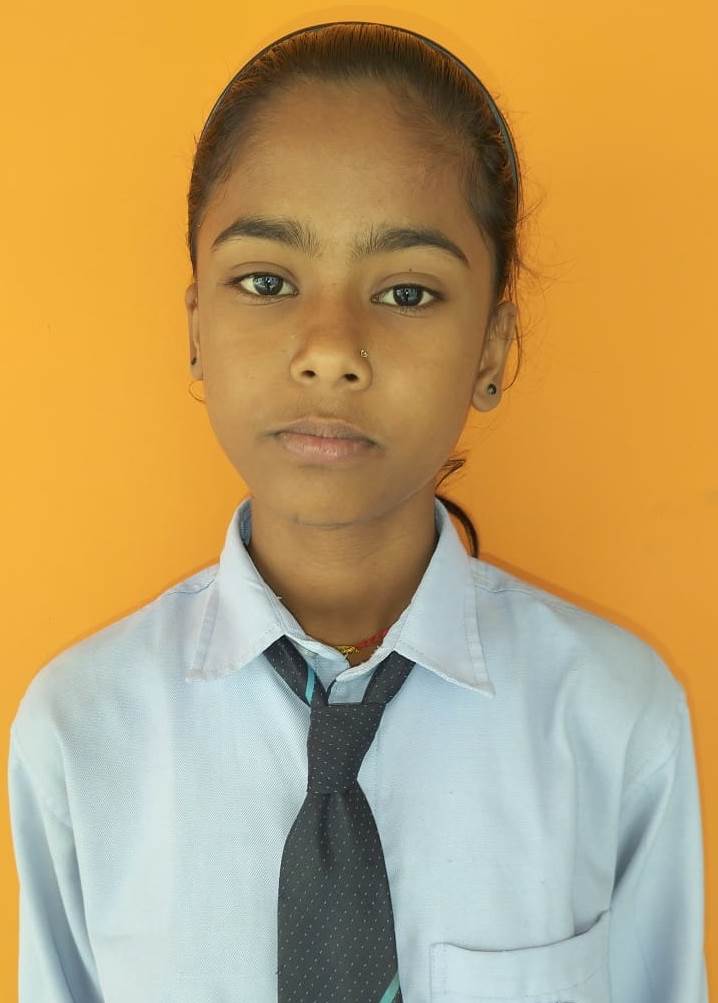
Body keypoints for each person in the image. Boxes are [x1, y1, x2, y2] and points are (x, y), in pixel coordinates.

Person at [7, 20, 708, 1003]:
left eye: (408, 292)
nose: (330, 348)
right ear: (196, 327)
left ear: (491, 347)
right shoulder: (81, 731)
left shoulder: (611, 719)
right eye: (265, 281)